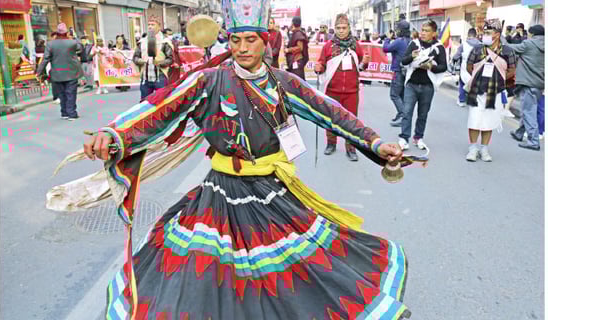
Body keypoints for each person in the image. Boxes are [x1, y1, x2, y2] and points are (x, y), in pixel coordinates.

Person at [77, 1, 413, 318]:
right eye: (235, 40)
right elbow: (159, 108)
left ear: (264, 41)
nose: (241, 48)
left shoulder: (284, 84)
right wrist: (114, 133)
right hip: (220, 193)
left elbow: (331, 113)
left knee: (291, 273)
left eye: (250, 39)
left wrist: (375, 142)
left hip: (272, 190)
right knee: (206, 275)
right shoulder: (208, 81)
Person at [314, 13, 371, 161]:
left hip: (352, 92)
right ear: (335, 28)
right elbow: (321, 63)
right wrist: (318, 67)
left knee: (351, 121)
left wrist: (365, 62)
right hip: (332, 91)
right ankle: (331, 143)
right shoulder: (328, 46)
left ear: (349, 28)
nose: (340, 30)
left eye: (343, 28)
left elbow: (361, 67)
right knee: (331, 119)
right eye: (338, 28)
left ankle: (351, 148)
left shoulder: (356, 45)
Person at [463, 19, 517, 162]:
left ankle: (484, 149)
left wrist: (498, 78)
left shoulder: (507, 51)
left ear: (497, 34)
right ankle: (473, 149)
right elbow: (470, 67)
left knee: (489, 122)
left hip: (496, 91)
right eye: (484, 32)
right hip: (477, 90)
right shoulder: (477, 49)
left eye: (488, 33)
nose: (484, 35)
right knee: (474, 120)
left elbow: (512, 70)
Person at [398, 20, 447, 151]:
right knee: (407, 112)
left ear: (434, 33)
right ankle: (404, 138)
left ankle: (418, 137)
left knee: (423, 114)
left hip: (427, 86)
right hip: (411, 85)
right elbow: (403, 61)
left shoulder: (439, 47)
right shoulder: (414, 44)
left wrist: (431, 66)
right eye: (422, 30)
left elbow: (444, 67)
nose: (423, 33)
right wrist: (412, 56)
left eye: (426, 31)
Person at [504, 24, 544, 151]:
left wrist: (502, 38)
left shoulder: (529, 44)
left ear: (532, 34)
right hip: (539, 83)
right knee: (529, 109)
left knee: (528, 112)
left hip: (528, 82)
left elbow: (509, 47)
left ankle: (533, 141)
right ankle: (519, 133)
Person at [36, 23, 83, 120]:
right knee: (70, 93)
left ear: (56, 33)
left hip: (57, 73)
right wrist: (74, 36)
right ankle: (72, 113)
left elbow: (45, 59)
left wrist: (39, 72)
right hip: (71, 72)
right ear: (66, 33)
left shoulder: (50, 44)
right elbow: (80, 47)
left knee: (61, 94)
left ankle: (64, 113)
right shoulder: (72, 42)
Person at [133, 16, 174, 102]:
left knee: (162, 103)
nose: (150, 26)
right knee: (144, 103)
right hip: (145, 78)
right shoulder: (142, 42)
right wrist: (140, 61)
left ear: (159, 27)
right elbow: (135, 57)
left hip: (160, 77)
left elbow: (170, 59)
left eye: (153, 24)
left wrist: (159, 63)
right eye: (149, 25)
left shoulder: (165, 42)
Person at [383, 20, 412, 126]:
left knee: (394, 94)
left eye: (397, 29)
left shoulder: (399, 41)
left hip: (399, 71)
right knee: (402, 95)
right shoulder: (410, 40)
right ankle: (401, 116)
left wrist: (387, 38)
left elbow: (386, 49)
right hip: (407, 71)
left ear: (400, 30)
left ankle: (403, 115)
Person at [451, 28, 481, 107]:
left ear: (468, 35)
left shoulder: (463, 44)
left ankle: (462, 100)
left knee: (462, 83)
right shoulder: (481, 45)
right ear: (476, 35)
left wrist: (453, 60)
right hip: (477, 67)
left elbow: (456, 56)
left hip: (465, 66)